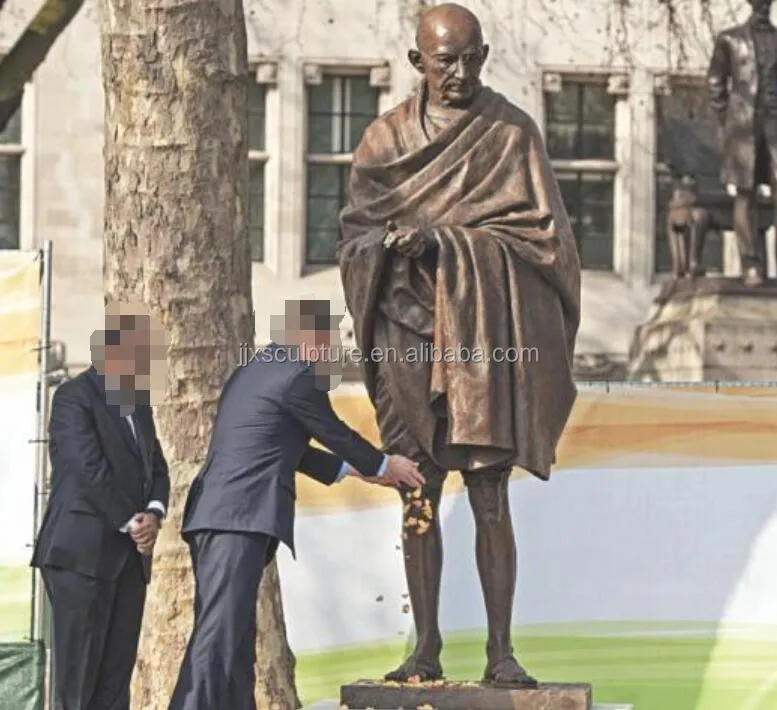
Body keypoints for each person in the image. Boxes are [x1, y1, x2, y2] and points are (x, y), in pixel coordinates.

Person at [338, 2, 580, 686]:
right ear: (418, 61)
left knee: (488, 493)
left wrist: (445, 241)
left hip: (484, 342)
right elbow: (352, 237)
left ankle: (500, 652)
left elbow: (547, 242)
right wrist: (389, 248)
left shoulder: (510, 133)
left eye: (472, 56)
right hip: (407, 340)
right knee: (416, 492)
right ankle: (424, 648)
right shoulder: (384, 140)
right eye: (446, 59)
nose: (460, 71)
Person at [168, 299, 424, 710]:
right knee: (218, 636)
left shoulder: (254, 372)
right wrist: (384, 462)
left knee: (236, 638)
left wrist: (358, 472)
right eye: (329, 342)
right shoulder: (296, 377)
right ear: (309, 338)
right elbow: (333, 431)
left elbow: (289, 449)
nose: (332, 354)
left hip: (221, 516)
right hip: (238, 517)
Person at [31, 303, 171, 710]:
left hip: (129, 561)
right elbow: (86, 470)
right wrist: (132, 522)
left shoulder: (138, 402)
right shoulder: (74, 397)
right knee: (77, 685)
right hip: (81, 558)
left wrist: (155, 514)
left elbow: (157, 468)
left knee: (114, 682)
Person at [708, 0, 777, 287]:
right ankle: (751, 263)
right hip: (743, 126)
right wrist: (729, 118)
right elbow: (715, 82)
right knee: (745, 193)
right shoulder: (730, 39)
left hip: (775, 123)